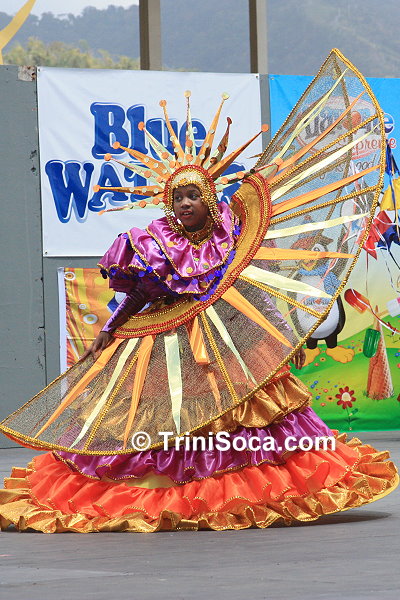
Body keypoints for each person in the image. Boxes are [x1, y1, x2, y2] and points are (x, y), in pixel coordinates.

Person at [0, 49, 398, 532]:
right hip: (168, 352)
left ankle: (249, 491)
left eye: (193, 195)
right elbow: (139, 295)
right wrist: (110, 328)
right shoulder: (152, 245)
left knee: (248, 419)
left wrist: (282, 336)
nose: (184, 204)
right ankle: (163, 492)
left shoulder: (233, 239)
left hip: (230, 350)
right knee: (157, 419)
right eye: (178, 198)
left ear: (209, 199)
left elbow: (254, 294)